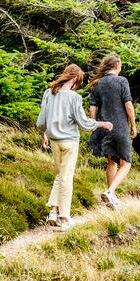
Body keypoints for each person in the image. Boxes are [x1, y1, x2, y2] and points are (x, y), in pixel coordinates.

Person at [35, 64, 112, 231]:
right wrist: (101, 124)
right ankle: (65, 219)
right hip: (69, 142)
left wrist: (44, 135)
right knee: (66, 178)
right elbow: (83, 123)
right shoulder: (74, 98)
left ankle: (54, 212)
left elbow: (41, 121)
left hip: (54, 140)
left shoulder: (48, 93)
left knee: (60, 175)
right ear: (76, 79)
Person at [87, 53, 136, 209]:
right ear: (117, 66)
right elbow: (128, 105)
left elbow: (92, 110)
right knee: (126, 162)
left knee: (111, 161)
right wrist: (133, 125)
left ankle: (111, 197)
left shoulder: (97, 83)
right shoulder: (122, 81)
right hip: (120, 126)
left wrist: (95, 126)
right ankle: (110, 191)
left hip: (104, 127)